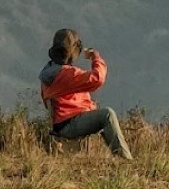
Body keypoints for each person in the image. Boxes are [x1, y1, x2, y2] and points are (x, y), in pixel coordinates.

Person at [38, 28, 132, 159]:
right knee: (107, 115)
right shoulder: (65, 74)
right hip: (69, 124)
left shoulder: (48, 72)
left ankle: (119, 155)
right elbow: (97, 78)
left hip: (61, 123)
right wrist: (96, 58)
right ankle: (125, 159)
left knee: (102, 116)